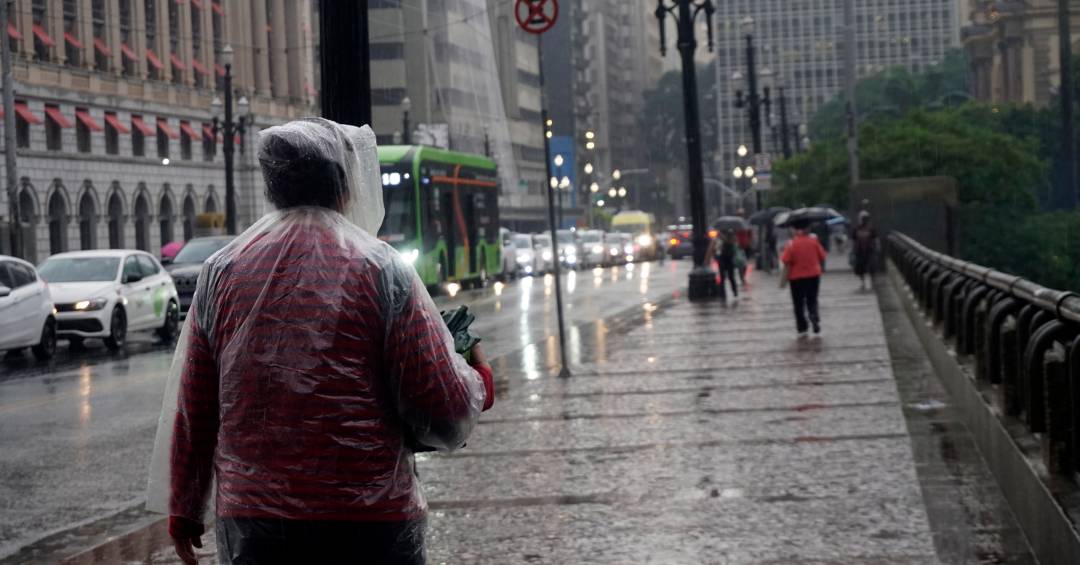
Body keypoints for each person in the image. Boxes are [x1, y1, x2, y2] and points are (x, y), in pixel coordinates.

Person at [147, 119, 494, 565]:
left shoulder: (222, 271)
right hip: (369, 523)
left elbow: (195, 406)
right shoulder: (381, 269)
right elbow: (443, 409)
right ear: (345, 184)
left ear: (272, 186)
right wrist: (480, 377)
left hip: (255, 525)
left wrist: (185, 510)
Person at [781, 219, 828, 336]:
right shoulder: (813, 241)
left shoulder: (791, 244)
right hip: (813, 275)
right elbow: (822, 256)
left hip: (796, 278)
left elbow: (785, 260)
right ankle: (814, 315)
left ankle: (802, 326)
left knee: (798, 303)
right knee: (812, 299)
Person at [851, 211, 879, 290]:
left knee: (872, 267)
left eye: (865, 218)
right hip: (859, 251)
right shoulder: (856, 229)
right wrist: (853, 250)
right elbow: (853, 240)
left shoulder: (871, 228)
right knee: (860, 268)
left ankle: (873, 282)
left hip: (870, 250)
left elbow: (875, 238)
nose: (864, 220)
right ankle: (863, 283)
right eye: (863, 218)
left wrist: (876, 248)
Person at [715, 229, 739, 298]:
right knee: (722, 278)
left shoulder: (732, 238)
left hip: (729, 260)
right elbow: (717, 248)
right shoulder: (720, 239)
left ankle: (734, 291)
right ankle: (723, 294)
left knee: (731, 277)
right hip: (722, 260)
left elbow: (734, 246)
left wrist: (726, 240)